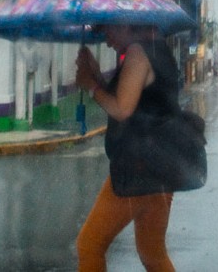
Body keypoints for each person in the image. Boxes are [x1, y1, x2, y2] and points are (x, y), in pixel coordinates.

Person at [74, 24, 180, 272]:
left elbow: (122, 109)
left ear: (124, 23)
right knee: (153, 252)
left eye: (108, 30)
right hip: (163, 166)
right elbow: (135, 100)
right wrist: (96, 75)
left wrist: (91, 87)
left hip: (137, 168)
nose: (107, 40)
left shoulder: (137, 53)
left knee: (89, 246)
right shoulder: (158, 50)